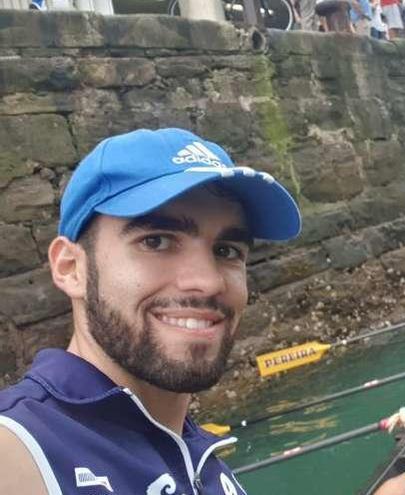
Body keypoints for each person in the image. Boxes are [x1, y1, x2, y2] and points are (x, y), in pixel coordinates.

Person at [0, 128, 302, 494]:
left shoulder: (205, 464)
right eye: (156, 242)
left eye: (226, 250)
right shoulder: (19, 450)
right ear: (70, 268)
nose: (207, 282)